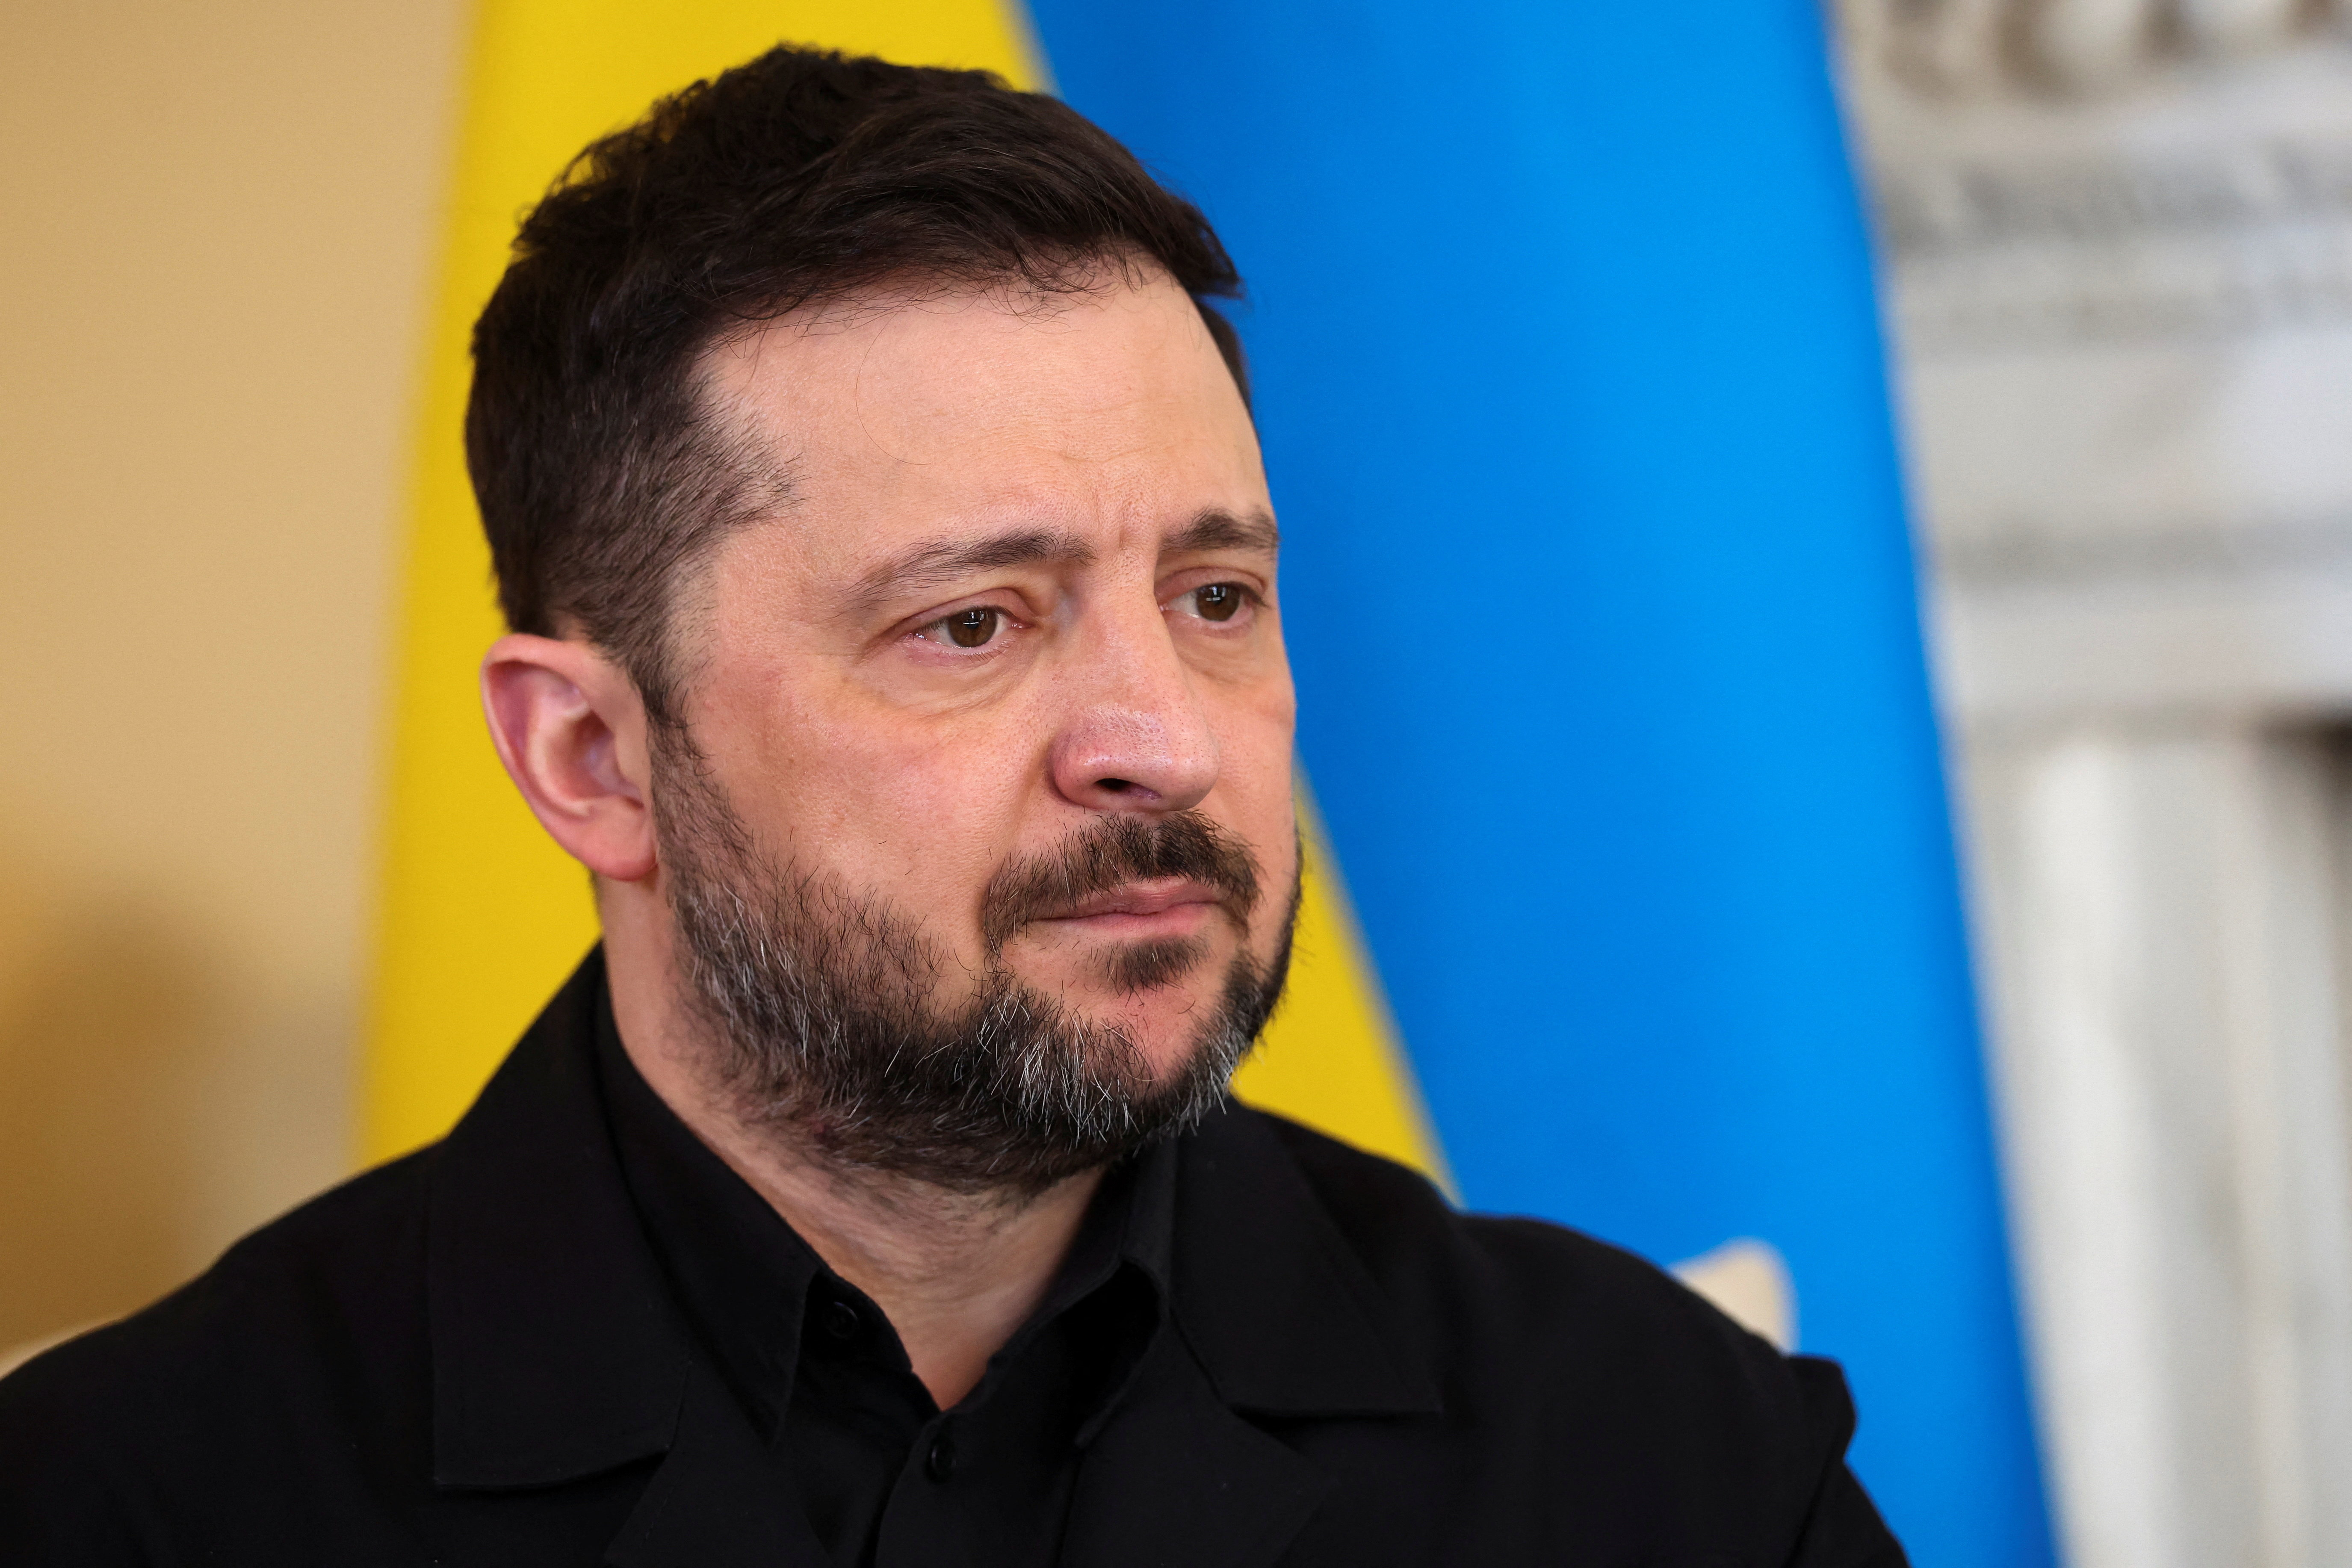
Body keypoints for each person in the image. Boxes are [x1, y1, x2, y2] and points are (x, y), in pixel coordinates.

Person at [0, 46, 1906, 1567]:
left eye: (1214, 595)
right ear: (590, 758)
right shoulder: (132, 1502)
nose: (1159, 739)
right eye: (973, 622)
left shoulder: (1664, 1456)